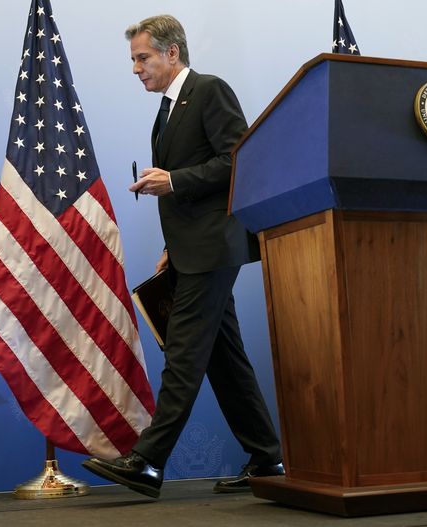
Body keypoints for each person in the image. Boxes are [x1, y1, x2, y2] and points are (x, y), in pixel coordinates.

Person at [82, 14, 283, 499]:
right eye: (134, 59)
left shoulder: (209, 90)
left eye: (142, 58)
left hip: (215, 247)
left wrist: (173, 180)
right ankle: (267, 458)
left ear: (172, 53)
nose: (136, 69)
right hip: (195, 249)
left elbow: (238, 159)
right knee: (223, 359)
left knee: (185, 353)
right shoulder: (168, 109)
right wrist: (172, 247)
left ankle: (149, 461)